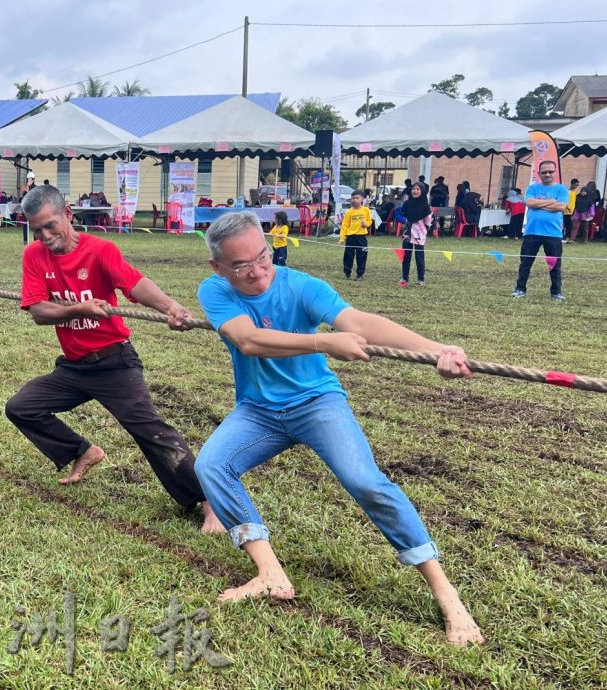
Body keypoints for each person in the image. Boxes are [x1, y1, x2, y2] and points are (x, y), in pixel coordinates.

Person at [192, 211, 484, 646]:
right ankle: (269, 573)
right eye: (241, 266)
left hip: (317, 404)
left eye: (263, 257)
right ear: (218, 267)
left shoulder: (302, 286)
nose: (258, 272)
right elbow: (248, 340)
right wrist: (323, 341)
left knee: (366, 482)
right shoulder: (214, 290)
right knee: (212, 465)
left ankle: (446, 592)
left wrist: (436, 349)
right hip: (258, 411)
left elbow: (360, 322)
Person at [4, 185, 224, 533]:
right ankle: (82, 451)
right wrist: (78, 308)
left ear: (68, 216)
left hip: (114, 362)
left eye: (50, 226)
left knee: (152, 432)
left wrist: (171, 307)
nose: (45, 236)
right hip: (74, 366)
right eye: (37, 230)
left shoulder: (100, 250)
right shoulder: (34, 256)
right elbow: (39, 311)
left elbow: (134, 284)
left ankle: (210, 500)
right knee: (21, 406)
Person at [512, 161, 568, 301]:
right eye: (544, 172)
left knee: (554, 265)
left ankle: (556, 292)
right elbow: (529, 203)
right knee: (526, 262)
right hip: (532, 232)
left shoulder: (562, 189)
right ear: (539, 174)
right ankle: (520, 289)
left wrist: (538, 204)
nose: (547, 174)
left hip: (553, 233)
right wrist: (551, 202)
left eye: (550, 171)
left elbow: (561, 207)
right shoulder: (532, 188)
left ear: (555, 172)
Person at [400, 182, 432, 286]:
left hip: (419, 233)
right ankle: (405, 278)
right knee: (406, 255)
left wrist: (422, 230)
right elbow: (403, 214)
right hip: (408, 232)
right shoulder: (407, 203)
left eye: (418, 189)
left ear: (422, 191)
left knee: (419, 256)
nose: (415, 191)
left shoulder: (425, 206)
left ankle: (420, 279)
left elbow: (428, 222)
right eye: (414, 189)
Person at [339, 190, 370, 280]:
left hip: (361, 237)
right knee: (348, 255)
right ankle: (347, 272)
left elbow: (369, 221)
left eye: (357, 198)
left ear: (362, 199)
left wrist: (366, 224)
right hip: (351, 237)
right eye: (353, 198)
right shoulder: (349, 212)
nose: (354, 200)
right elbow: (345, 225)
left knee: (362, 256)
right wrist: (342, 238)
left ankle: (360, 274)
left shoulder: (366, 210)